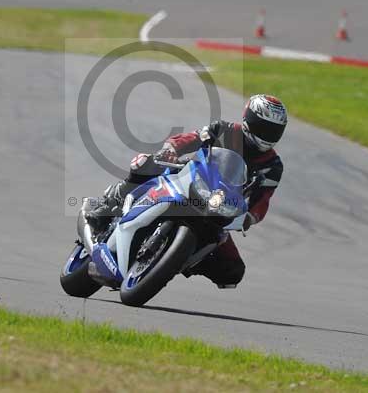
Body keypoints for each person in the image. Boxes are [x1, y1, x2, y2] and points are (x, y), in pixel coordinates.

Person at [87, 94, 287, 288]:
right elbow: (192, 138)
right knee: (144, 163)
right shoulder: (224, 129)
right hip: (190, 179)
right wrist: (172, 150)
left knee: (233, 271)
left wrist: (250, 217)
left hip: (218, 207)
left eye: (274, 130)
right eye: (264, 127)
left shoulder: (273, 165)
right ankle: (108, 205)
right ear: (248, 120)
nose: (267, 135)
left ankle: (178, 260)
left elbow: (263, 199)